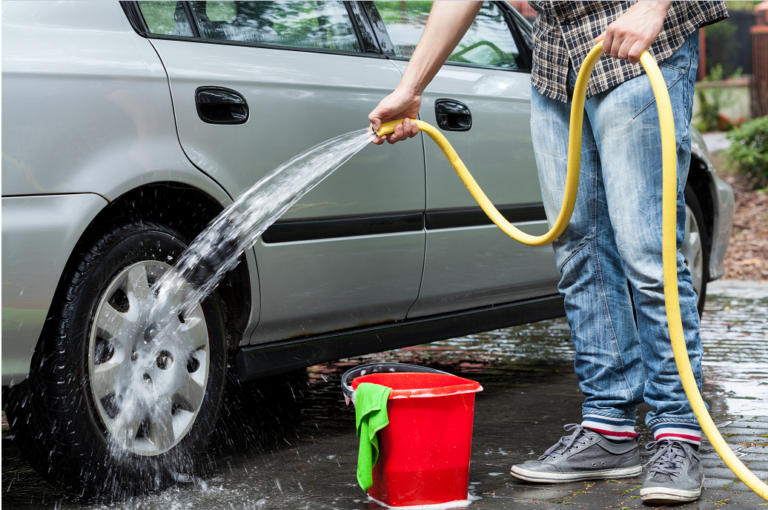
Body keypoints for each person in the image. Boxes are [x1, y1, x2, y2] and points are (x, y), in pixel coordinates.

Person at [368, 1, 728, 504]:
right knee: (578, 247)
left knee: (647, 251)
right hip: (559, 63)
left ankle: (678, 433)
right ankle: (608, 428)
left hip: (640, 42)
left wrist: (652, 7)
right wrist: (411, 88)